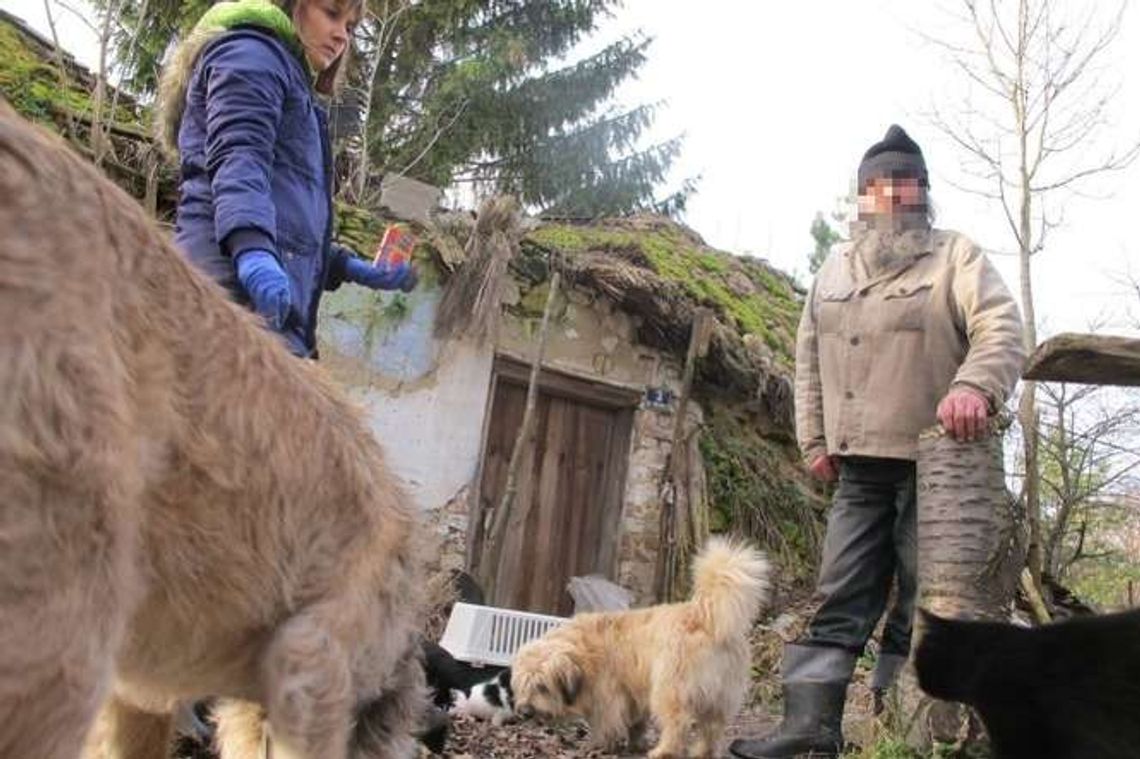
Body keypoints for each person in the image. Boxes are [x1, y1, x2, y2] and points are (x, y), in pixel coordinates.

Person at [729, 124, 1026, 759]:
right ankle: (811, 730)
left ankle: (902, 728)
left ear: (923, 192)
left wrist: (974, 386)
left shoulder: (956, 257)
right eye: (879, 185)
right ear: (862, 196)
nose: (892, 194)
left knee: (923, 598)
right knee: (838, 592)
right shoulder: (833, 268)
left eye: (906, 183)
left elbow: (1002, 329)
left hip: (938, 464)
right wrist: (813, 439)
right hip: (858, 466)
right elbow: (807, 360)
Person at [158, 0, 417, 359]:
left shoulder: (292, 83)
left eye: (350, 26)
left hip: (267, 315)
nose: (342, 35)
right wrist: (252, 249)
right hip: (223, 299)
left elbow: (288, 224)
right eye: (331, 13)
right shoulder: (251, 55)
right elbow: (239, 157)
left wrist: (346, 267)